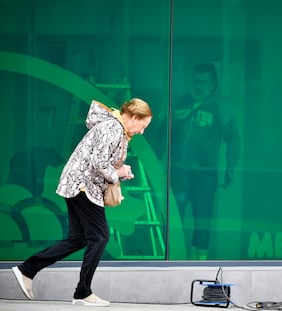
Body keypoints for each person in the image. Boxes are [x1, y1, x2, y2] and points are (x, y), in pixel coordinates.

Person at [12, 98, 153, 306]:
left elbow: (99, 160)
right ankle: (83, 291)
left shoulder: (112, 127)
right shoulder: (113, 128)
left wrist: (118, 173)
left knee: (77, 239)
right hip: (84, 187)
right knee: (100, 236)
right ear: (133, 117)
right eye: (143, 126)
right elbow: (98, 162)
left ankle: (27, 270)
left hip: (77, 184)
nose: (142, 131)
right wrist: (118, 172)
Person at [164, 62, 240, 260]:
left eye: (204, 82)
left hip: (204, 175)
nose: (199, 85)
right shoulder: (181, 102)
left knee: (202, 219)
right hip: (179, 173)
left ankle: (200, 261)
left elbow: (233, 139)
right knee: (175, 219)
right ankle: (174, 258)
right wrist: (153, 162)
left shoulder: (220, 107)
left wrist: (230, 169)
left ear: (213, 83)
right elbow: (162, 134)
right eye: (196, 81)